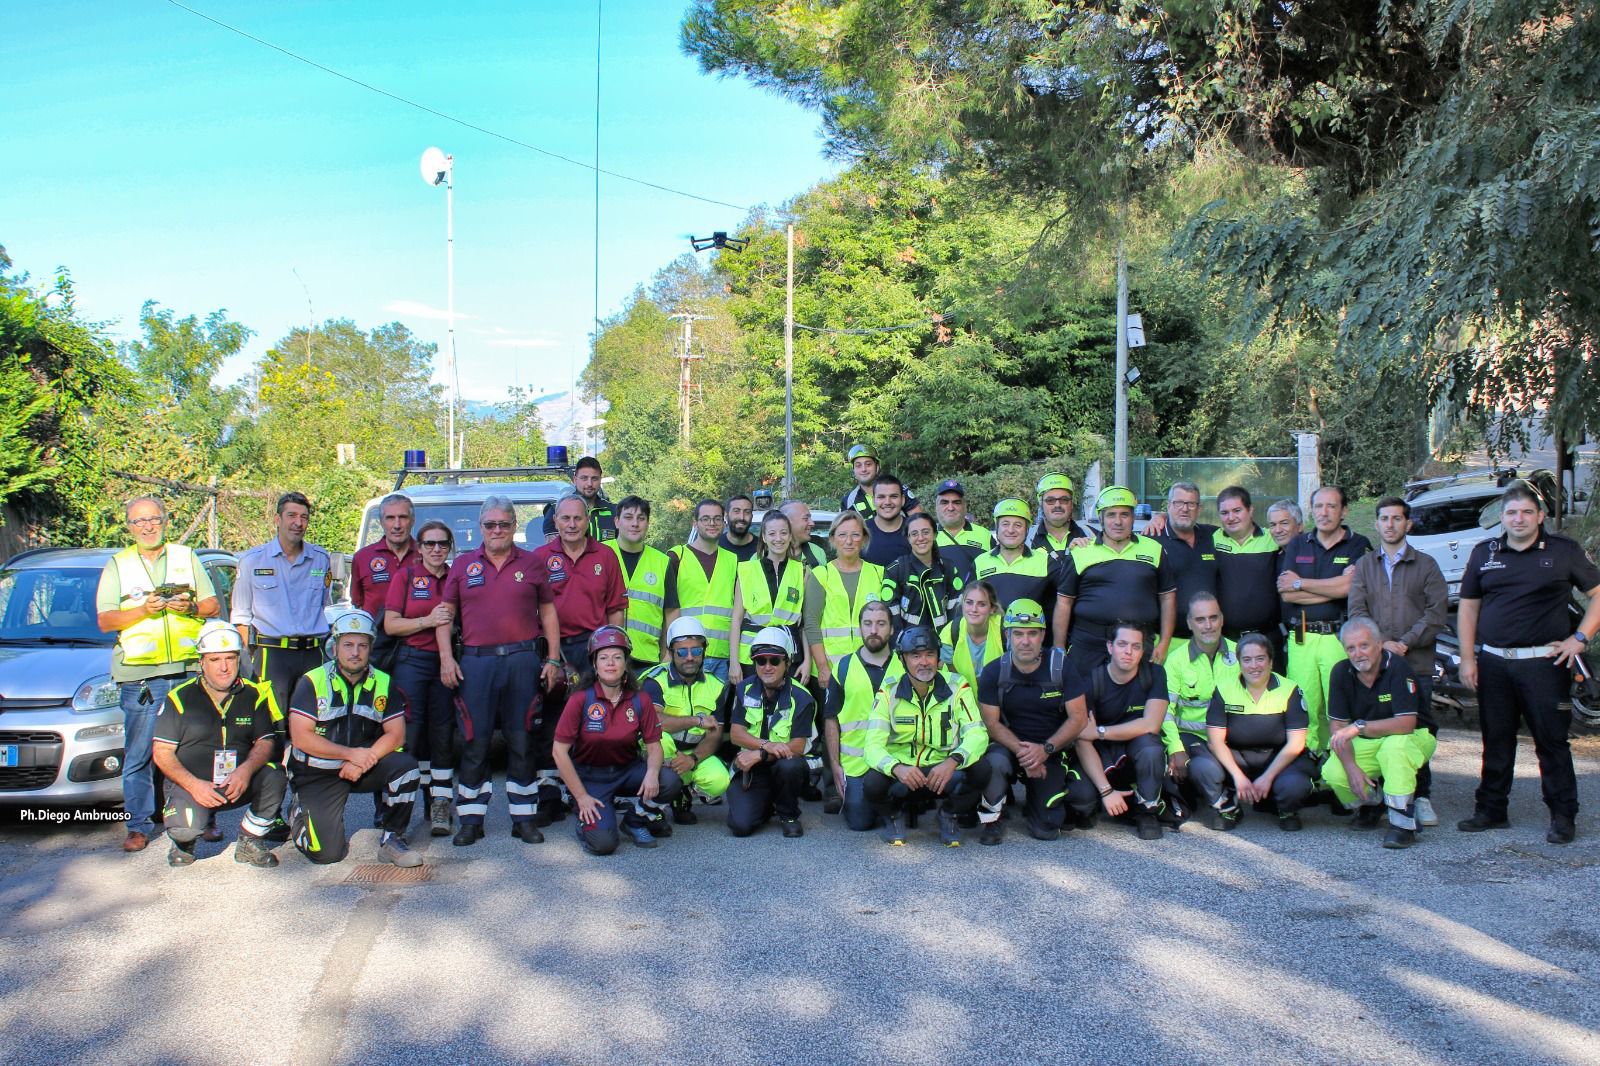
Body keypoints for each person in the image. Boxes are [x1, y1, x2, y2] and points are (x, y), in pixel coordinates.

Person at [1457, 481, 1600, 845]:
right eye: (1511, 513)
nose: (1518, 519)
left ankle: (1563, 816)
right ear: (1501, 518)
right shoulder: (1484, 552)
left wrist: (1580, 638)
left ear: (1540, 516)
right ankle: (1491, 810)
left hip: (1544, 665)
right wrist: (1468, 657)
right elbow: (1469, 607)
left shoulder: (1563, 552)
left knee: (1551, 742)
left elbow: (1597, 595)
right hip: (1494, 663)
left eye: (1526, 512)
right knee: (1497, 739)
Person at [96, 495, 222, 853]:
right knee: (140, 752)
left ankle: (205, 816)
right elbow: (105, 620)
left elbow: (213, 605)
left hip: (186, 669)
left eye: (154, 519)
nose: (148, 526)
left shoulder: (186, 557)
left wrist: (192, 607)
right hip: (140, 675)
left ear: (165, 521)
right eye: (139, 521)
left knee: (198, 748)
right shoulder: (118, 565)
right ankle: (138, 825)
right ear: (129, 527)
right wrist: (141, 610)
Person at [440, 496, 562, 845]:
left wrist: (553, 658)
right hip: (476, 663)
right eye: (490, 525)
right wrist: (447, 659)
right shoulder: (463, 565)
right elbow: (444, 616)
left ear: (513, 526)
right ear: (481, 528)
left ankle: (524, 819)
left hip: (523, 661)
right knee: (474, 742)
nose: (497, 530)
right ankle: (470, 820)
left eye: (504, 524)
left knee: (522, 739)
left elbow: (549, 612)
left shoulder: (533, 563)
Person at [285, 610, 423, 869]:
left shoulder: (383, 682)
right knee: (326, 854)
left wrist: (362, 760)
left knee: (406, 767)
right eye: (348, 644)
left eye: (362, 645)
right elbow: (301, 737)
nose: (355, 652)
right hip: (317, 772)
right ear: (335, 647)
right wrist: (349, 755)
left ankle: (393, 838)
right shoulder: (311, 681)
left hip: (360, 767)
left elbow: (397, 734)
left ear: (371, 648)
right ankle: (298, 813)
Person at [1347, 495, 1448, 826]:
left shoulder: (1426, 565)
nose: (1390, 525)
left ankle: (1420, 797)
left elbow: (1435, 613)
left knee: (1416, 730)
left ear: (1408, 524)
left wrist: (1403, 643)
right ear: (1376, 524)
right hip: (1372, 668)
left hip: (1414, 664)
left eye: (1396, 519)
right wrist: (1379, 646)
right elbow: (1357, 611)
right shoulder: (1364, 566)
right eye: (1384, 519)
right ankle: (1375, 799)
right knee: (1375, 729)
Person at [151, 621, 286, 868]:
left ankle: (250, 841)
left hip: (236, 781)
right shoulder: (179, 699)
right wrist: (194, 785)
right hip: (194, 785)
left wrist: (245, 770)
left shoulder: (254, 694)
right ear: (201, 662)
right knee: (185, 830)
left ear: (239, 659)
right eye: (215, 660)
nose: (224, 668)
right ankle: (184, 841)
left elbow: (266, 741)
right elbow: (162, 753)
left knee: (275, 775)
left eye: (230, 658)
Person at [551, 626, 683, 854]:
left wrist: (652, 774)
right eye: (603, 657)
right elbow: (559, 752)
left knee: (668, 781)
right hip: (591, 778)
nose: (610, 663)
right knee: (604, 845)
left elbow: (654, 746)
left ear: (625, 663)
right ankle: (584, 813)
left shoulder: (640, 699)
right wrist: (582, 796)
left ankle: (635, 821)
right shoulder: (580, 699)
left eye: (617, 657)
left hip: (626, 771)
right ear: (594, 664)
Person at [860, 626, 990, 846]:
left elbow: (978, 733)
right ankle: (893, 816)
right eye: (916, 656)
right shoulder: (888, 692)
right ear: (903, 659)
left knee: (982, 769)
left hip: (942, 772)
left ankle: (948, 814)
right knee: (872, 783)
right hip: (904, 773)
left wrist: (953, 760)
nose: (924, 662)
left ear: (938, 657)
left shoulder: (958, 687)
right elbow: (872, 747)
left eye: (930, 654)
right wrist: (896, 768)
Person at [975, 599, 1090, 844]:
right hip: (1010, 747)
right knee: (994, 762)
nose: (1025, 641)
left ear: (1043, 635)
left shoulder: (1062, 667)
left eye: (1032, 634)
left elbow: (1079, 718)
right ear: (1007, 634)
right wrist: (1026, 754)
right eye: (1018, 633)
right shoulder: (994, 671)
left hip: (1051, 748)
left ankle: (1044, 800)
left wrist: (1045, 750)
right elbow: (991, 724)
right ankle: (993, 817)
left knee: (1047, 829)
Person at [1323, 618, 1438, 848]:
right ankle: (1372, 805)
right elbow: (1337, 728)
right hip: (1368, 739)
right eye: (1351, 648)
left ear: (1379, 644)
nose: (1358, 654)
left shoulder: (1398, 667)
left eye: (1364, 645)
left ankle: (1403, 824)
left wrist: (1359, 727)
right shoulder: (1340, 672)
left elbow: (1406, 723)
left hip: (1413, 736)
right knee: (1333, 771)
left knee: (1393, 749)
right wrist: (1351, 767)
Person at [1277, 485, 1373, 753]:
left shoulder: (1358, 544)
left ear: (1344, 511)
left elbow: (1350, 589)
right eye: (1319, 506)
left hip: (1338, 639)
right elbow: (1286, 594)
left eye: (1331, 506)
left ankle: (1340, 767)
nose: (1324, 512)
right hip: (1302, 639)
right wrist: (1334, 588)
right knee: (1305, 706)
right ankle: (1307, 766)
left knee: (1338, 706)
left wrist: (1302, 584)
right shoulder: (1298, 543)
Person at [1187, 632, 1315, 832]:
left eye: (1260, 658)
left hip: (1277, 760)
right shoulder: (1224, 689)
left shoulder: (1289, 690)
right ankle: (1227, 807)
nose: (1254, 665)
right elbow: (1215, 742)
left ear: (1271, 662)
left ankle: (1285, 809)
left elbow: (1296, 744)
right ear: (1239, 662)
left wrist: (1267, 777)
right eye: (1247, 660)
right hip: (1237, 759)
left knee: (1295, 784)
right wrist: (1238, 777)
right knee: (1201, 766)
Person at [384, 518, 458, 837]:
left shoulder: (457, 577)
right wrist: (426, 621)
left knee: (442, 736)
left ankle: (439, 804)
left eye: (443, 544)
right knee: (409, 738)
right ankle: (398, 812)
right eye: (430, 543)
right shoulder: (407, 576)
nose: (437, 549)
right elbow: (390, 625)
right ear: (420, 546)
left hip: (447, 663)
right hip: (412, 662)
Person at [233, 491, 333, 723]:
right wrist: (248, 659)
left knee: (315, 722)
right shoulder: (252, 561)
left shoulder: (320, 559)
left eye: (304, 517)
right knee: (272, 724)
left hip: (311, 653)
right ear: (278, 519)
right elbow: (241, 616)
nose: (298, 523)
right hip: (272, 655)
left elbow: (322, 604)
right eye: (291, 516)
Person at [1054, 486, 1177, 674]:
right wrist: (1059, 647)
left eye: (1124, 515)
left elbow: (1168, 598)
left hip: (1138, 645)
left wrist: (1164, 643)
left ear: (1133, 517)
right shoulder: (1080, 551)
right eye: (1111, 515)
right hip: (1088, 645)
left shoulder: (1154, 549)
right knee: (1083, 701)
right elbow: (1064, 603)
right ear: (1101, 518)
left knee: (1136, 702)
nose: (1118, 521)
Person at [1065, 622, 1171, 840]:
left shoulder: (1154, 674)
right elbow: (1083, 740)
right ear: (1110, 647)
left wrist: (1100, 731)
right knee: (1080, 801)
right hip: (1100, 753)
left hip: (1135, 748)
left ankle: (1147, 810)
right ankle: (1104, 799)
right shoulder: (1091, 681)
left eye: (1136, 646)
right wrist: (1106, 791)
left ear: (1143, 651)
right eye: (1122, 644)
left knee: (1151, 747)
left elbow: (1151, 724)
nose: (1128, 652)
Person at [725, 626, 816, 838]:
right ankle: (767, 805)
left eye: (774, 661)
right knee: (740, 826)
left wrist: (761, 753)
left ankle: (788, 814)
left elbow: (798, 746)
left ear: (787, 663)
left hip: (783, 767)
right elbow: (736, 733)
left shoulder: (802, 698)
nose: (767, 667)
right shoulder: (743, 689)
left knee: (790, 765)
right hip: (752, 770)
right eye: (760, 660)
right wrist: (767, 745)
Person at [639, 618, 731, 823]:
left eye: (696, 651)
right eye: (682, 652)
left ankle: (680, 794)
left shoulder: (716, 685)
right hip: (659, 750)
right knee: (661, 739)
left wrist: (693, 759)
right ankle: (656, 802)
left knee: (719, 780)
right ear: (671, 652)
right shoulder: (655, 681)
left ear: (704, 651)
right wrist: (696, 721)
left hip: (691, 752)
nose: (690, 657)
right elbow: (654, 722)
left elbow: (715, 734)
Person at [825, 601, 902, 830]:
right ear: (860, 627)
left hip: (897, 758)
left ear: (891, 629)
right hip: (856, 762)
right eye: (867, 624)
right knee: (860, 822)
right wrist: (835, 765)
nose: (874, 630)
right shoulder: (843, 667)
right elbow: (831, 720)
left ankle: (893, 806)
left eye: (881, 624)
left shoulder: (905, 665)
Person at [532, 494, 629, 675]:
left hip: (594, 648)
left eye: (578, 518)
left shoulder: (605, 556)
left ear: (588, 520)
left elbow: (615, 609)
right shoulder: (539, 558)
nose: (572, 525)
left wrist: (614, 650)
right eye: (565, 518)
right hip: (553, 651)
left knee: (594, 703)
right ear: (555, 520)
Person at [1160, 592, 1236, 808]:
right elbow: (1166, 710)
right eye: (1200, 620)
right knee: (1208, 770)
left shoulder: (1239, 653)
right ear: (1189, 623)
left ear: (1222, 619)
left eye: (1213, 618)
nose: (1208, 625)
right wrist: (1175, 747)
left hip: (1232, 738)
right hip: (1193, 738)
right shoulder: (1176, 661)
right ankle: (1220, 803)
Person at [803, 510, 885, 690]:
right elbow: (811, 623)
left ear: (864, 539)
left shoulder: (879, 574)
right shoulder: (821, 575)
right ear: (832, 539)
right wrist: (822, 666)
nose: (849, 541)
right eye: (842, 535)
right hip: (831, 670)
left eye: (855, 535)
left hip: (870, 667)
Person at [729, 511, 806, 684]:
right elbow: (736, 619)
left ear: (790, 536)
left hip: (788, 655)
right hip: (751, 656)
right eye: (772, 533)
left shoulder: (802, 571)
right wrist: (733, 662)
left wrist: (808, 661)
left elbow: (805, 624)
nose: (778, 538)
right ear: (763, 537)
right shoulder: (747, 571)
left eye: (783, 533)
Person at [1148, 482, 1219, 662]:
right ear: (1169, 506)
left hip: (1208, 642)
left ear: (1199, 508)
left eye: (1191, 504)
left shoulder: (1213, 536)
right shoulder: (1151, 540)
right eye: (1178, 503)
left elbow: (1244, 529)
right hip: (1165, 643)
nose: (1185, 509)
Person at [670, 499, 739, 681]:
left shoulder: (734, 561)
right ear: (695, 523)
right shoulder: (677, 556)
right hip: (686, 654)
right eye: (706, 519)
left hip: (721, 657)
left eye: (717, 519)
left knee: (716, 710)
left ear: (724, 523)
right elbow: (666, 608)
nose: (712, 523)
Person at [608, 495, 679, 672]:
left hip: (647, 658)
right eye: (628, 517)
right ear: (617, 521)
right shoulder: (600, 554)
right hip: (606, 654)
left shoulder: (662, 562)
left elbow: (671, 611)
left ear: (648, 523)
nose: (635, 523)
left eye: (641, 518)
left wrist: (669, 654)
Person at [349, 492, 415, 674]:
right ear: (381, 522)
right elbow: (358, 603)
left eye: (403, 517)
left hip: (416, 648)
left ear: (412, 520)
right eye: (390, 518)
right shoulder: (362, 558)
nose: (397, 525)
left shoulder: (426, 557)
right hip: (376, 649)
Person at [1212, 487, 1282, 654]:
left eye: (1237, 510)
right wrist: (1161, 517)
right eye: (1224, 513)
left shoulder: (1272, 539)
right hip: (1226, 640)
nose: (1231, 518)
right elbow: (1183, 528)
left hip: (1268, 639)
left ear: (1250, 510)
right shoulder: (1211, 539)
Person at [972, 499, 1055, 637]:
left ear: (1027, 529)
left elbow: (1065, 600)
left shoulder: (1045, 561)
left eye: (1018, 525)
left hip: (1029, 644)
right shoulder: (980, 562)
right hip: (989, 643)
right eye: (1005, 524)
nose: (1010, 530)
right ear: (997, 527)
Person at [882, 512, 970, 634]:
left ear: (934, 534)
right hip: (908, 648)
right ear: (908, 538)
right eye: (914, 534)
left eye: (926, 532)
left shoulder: (948, 568)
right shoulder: (895, 570)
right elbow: (889, 616)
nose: (921, 538)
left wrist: (949, 642)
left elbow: (957, 610)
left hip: (944, 645)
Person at [939, 581, 1004, 692]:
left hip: (1000, 700)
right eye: (969, 602)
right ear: (962, 604)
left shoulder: (1004, 630)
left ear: (992, 608)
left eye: (982, 604)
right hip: (964, 700)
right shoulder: (950, 632)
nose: (974, 609)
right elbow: (954, 680)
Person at [540, 455, 617, 542]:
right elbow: (552, 550)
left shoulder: (615, 511)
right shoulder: (556, 510)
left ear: (600, 480)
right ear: (575, 480)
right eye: (584, 478)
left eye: (594, 479)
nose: (589, 484)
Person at [1027, 473, 1092, 563]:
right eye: (1050, 500)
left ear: (1071, 503)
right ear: (1041, 503)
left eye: (1064, 500)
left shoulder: (1090, 534)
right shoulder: (1026, 539)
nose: (1057, 505)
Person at [932, 479, 991, 570]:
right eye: (944, 502)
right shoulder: (926, 537)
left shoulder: (985, 535)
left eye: (956, 502)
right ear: (936, 507)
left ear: (965, 506)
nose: (950, 508)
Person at [859, 475, 914, 568]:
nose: (887, 502)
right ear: (873, 500)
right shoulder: (861, 532)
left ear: (903, 500)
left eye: (893, 496)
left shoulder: (916, 531)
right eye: (881, 497)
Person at [781, 499, 829, 569]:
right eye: (806, 519)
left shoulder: (817, 551)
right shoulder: (764, 555)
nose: (812, 523)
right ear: (787, 522)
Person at [718, 494, 760, 562]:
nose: (742, 517)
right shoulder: (715, 547)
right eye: (736, 511)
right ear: (726, 515)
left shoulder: (762, 548)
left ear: (751, 517)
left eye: (747, 512)